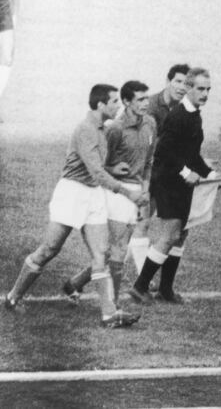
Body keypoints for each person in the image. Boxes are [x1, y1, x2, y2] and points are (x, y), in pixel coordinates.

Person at [4, 84, 145, 328]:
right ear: (100, 104)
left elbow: (98, 169)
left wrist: (111, 169)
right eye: (114, 102)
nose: (118, 107)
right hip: (71, 193)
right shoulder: (86, 130)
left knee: (101, 253)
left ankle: (109, 314)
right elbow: (95, 171)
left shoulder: (103, 129)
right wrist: (126, 193)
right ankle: (13, 296)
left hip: (93, 194)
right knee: (49, 249)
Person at [128, 68, 218, 304]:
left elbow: (191, 153)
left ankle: (166, 290)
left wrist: (212, 174)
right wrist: (186, 171)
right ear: (188, 88)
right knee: (170, 235)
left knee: (181, 234)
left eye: (208, 89)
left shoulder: (195, 114)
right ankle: (140, 286)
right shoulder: (178, 116)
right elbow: (164, 152)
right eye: (200, 88)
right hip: (167, 182)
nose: (205, 93)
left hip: (179, 183)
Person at [63, 81, 156, 304]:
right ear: (126, 102)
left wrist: (145, 191)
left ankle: (75, 284)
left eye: (147, 98)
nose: (146, 103)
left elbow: (149, 162)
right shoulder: (114, 129)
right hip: (117, 193)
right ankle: (112, 306)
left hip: (137, 193)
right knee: (118, 250)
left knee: (110, 252)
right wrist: (114, 169)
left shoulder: (151, 124)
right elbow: (98, 165)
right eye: (140, 99)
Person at [127, 63, 190, 272]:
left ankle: (75, 283)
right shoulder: (152, 107)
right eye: (178, 82)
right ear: (167, 82)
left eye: (186, 84)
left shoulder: (183, 109)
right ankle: (141, 279)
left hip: (162, 174)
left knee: (136, 231)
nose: (182, 87)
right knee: (140, 225)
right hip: (143, 174)